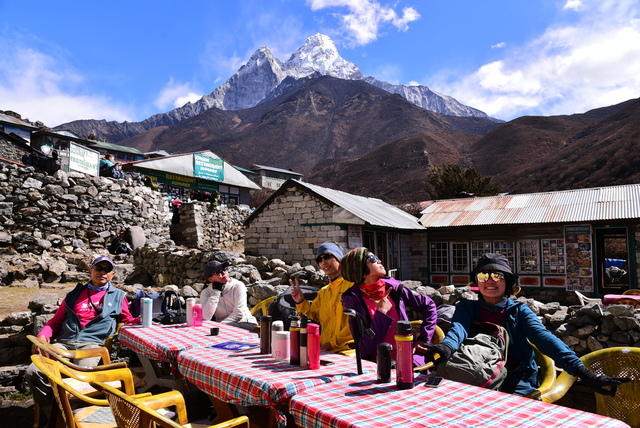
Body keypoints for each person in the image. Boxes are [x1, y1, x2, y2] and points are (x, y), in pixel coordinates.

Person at [421, 252, 632, 396]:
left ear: (508, 282)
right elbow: (458, 329)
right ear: (476, 281)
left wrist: (584, 372)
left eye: (497, 275)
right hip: (475, 370)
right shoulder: (467, 307)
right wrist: (446, 347)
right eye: (483, 275)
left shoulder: (518, 311)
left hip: (515, 377)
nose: (490, 280)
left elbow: (545, 339)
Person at [26, 255, 138, 420]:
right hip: (64, 344)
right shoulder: (74, 294)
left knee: (82, 377)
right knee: (33, 371)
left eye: (107, 269)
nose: (103, 272)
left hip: (92, 346)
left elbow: (127, 320)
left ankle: (76, 415)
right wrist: (42, 336)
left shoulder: (118, 296)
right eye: (99, 268)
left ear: (113, 274)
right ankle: (54, 414)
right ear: (90, 271)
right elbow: (55, 321)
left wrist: (145, 318)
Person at [340, 247, 437, 365]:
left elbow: (429, 305)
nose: (379, 261)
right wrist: (381, 314)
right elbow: (365, 348)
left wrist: (423, 339)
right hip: (377, 365)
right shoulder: (354, 302)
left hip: (408, 360)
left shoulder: (395, 288)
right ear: (362, 272)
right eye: (373, 259)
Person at [290, 241, 354, 352]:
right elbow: (313, 317)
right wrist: (301, 302)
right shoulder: (324, 292)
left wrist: (333, 344)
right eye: (319, 260)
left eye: (327, 257)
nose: (323, 262)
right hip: (325, 349)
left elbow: (357, 323)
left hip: (348, 351)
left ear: (339, 259)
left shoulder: (352, 286)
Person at [200, 260, 257, 331]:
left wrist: (220, 326)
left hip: (245, 323)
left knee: (227, 329)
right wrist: (216, 292)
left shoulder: (238, 285)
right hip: (222, 327)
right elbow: (205, 317)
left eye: (224, 269)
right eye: (218, 272)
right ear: (211, 279)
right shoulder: (206, 292)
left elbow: (239, 313)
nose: (223, 272)